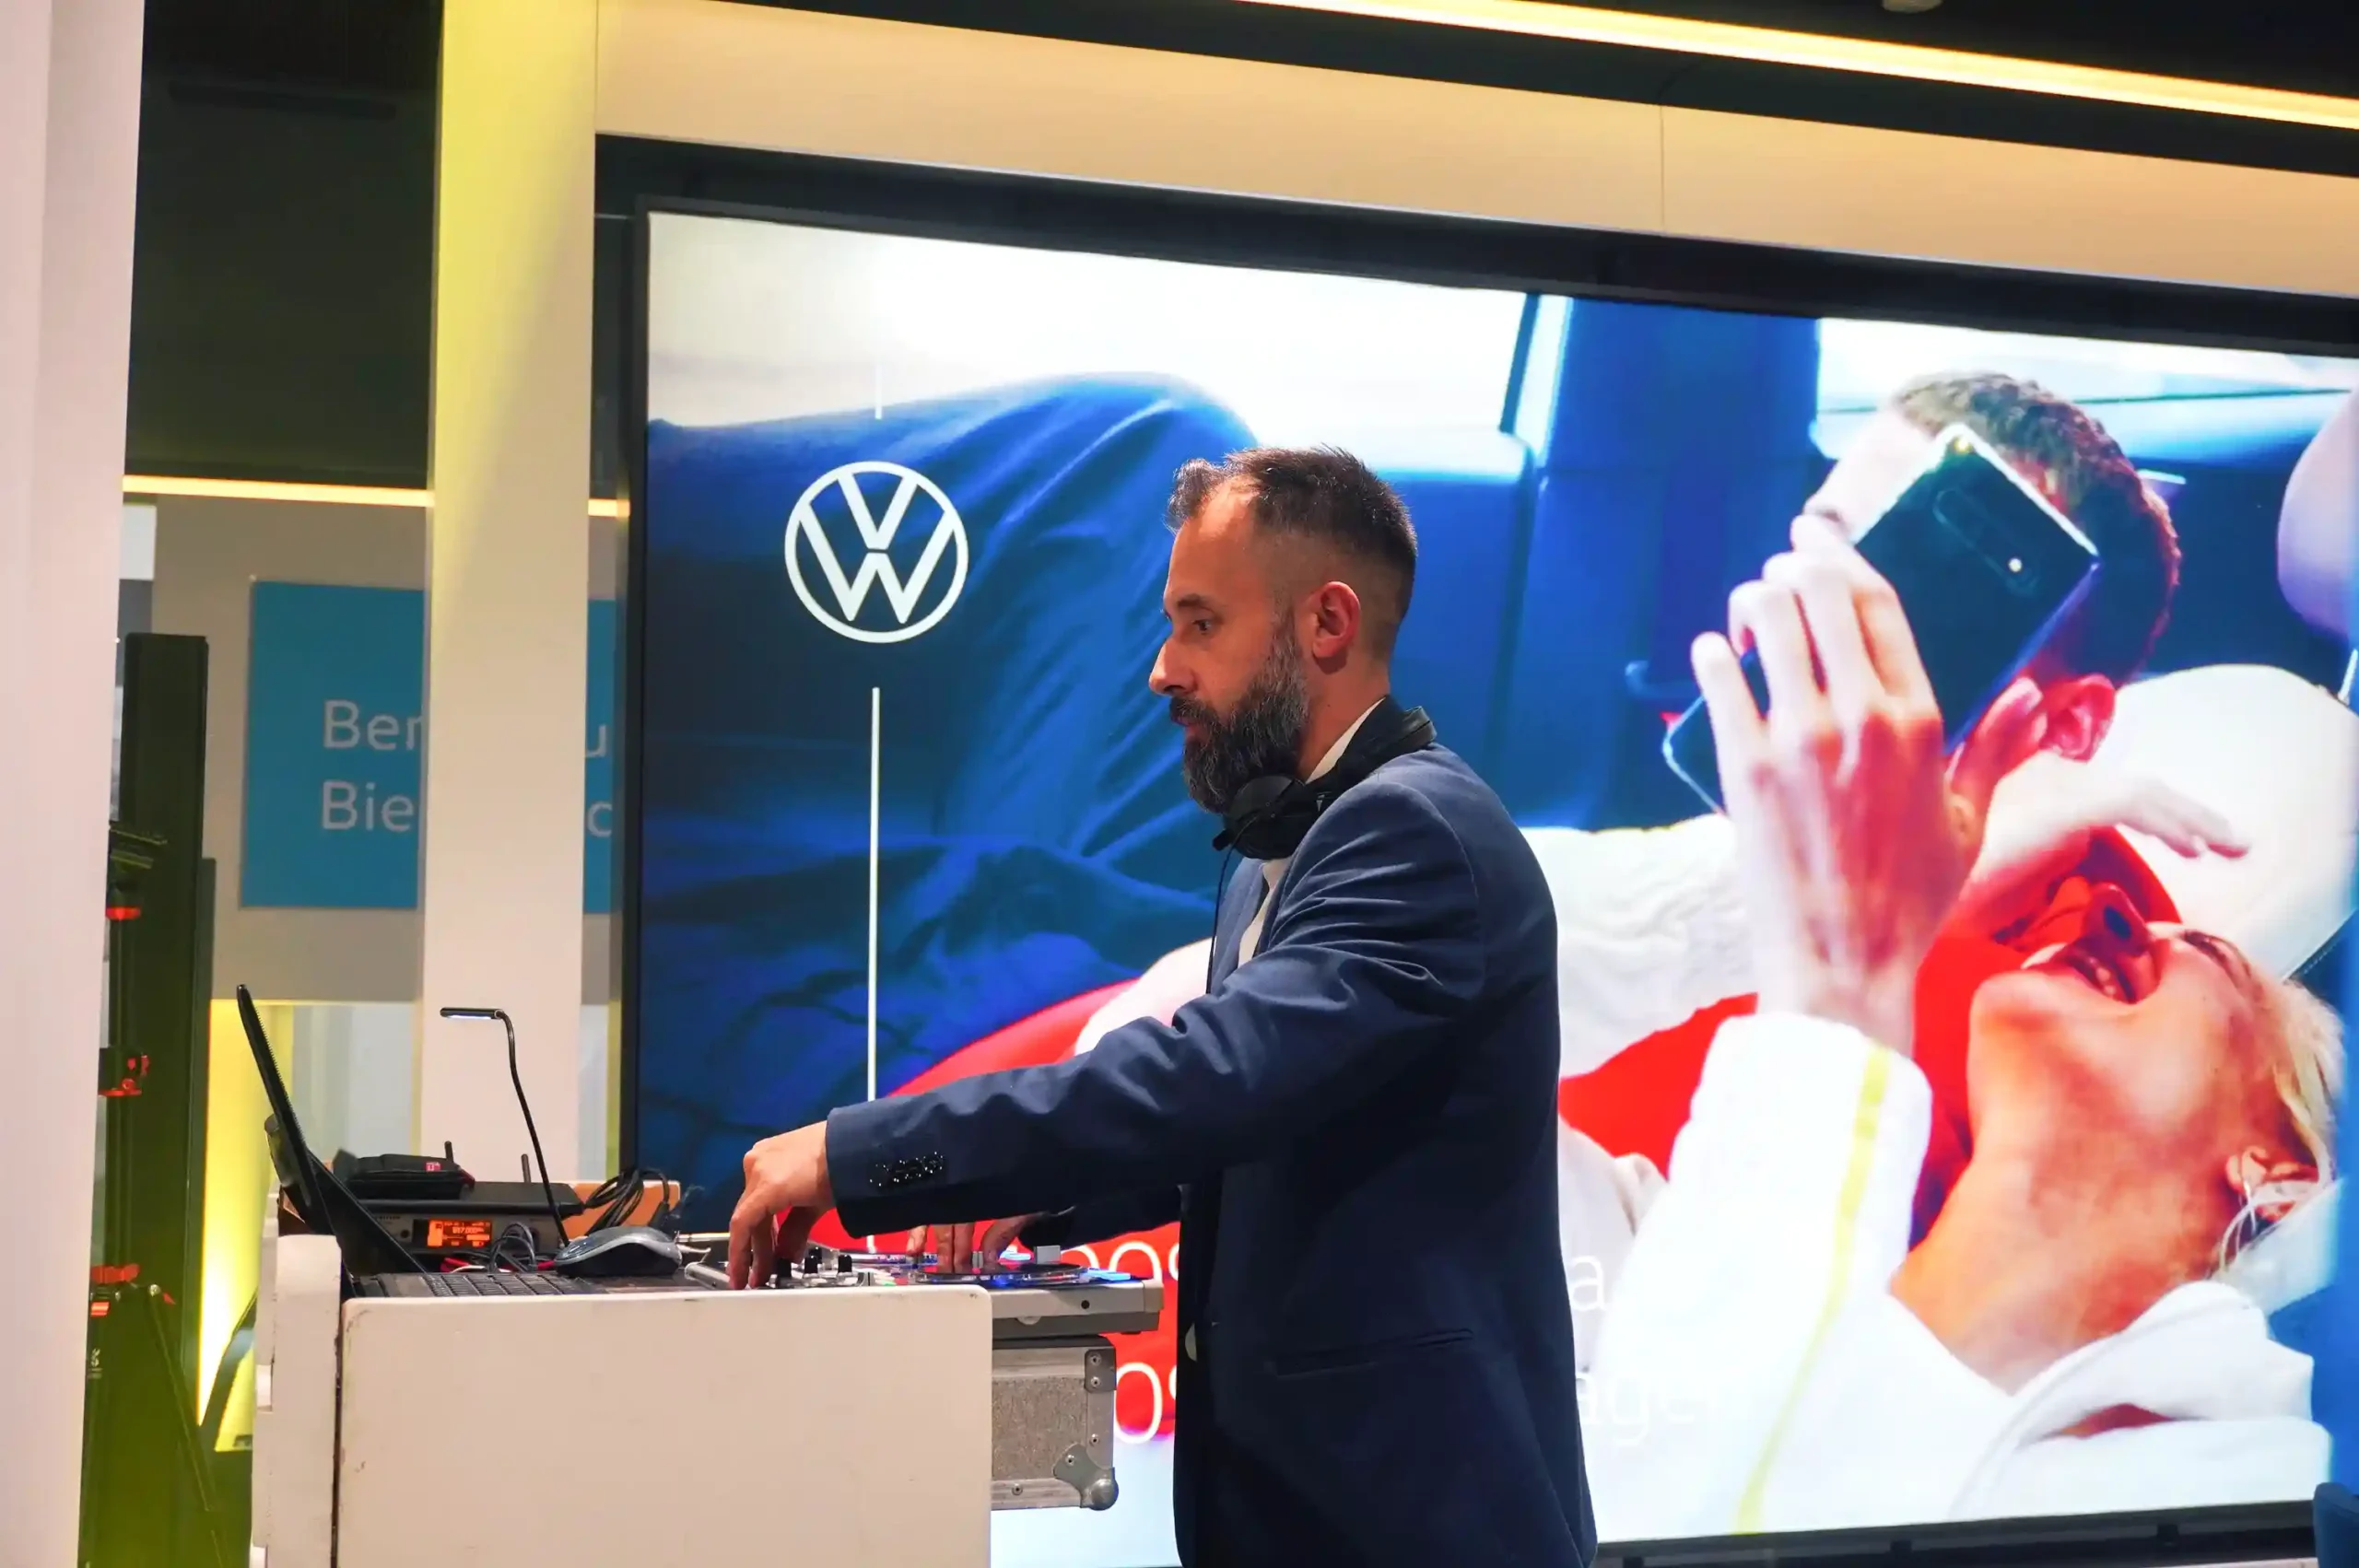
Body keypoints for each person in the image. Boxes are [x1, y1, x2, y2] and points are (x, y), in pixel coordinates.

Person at [728, 447, 1595, 1568]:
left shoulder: (1412, 834)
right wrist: (1029, 1198)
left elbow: (1206, 1082)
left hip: (1414, 1522)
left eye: (1200, 624)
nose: (1161, 670)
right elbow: (1252, 1133)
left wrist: (857, 1156)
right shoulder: (1273, 856)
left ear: (1326, 623)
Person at [1580, 515, 2343, 1538]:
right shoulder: (1647, 1235)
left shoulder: (2255, 1494)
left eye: (2204, 954)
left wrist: (1840, 989)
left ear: (2276, 1177)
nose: (2120, 923)